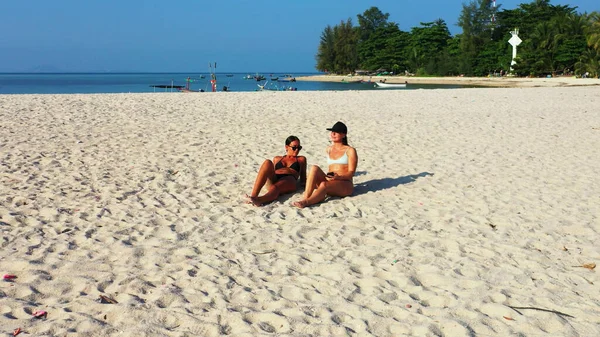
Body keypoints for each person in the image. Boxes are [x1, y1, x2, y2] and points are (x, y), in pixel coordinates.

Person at [292, 122, 357, 208]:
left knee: (324, 184)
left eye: (336, 132)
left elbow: (351, 173)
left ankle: (307, 202)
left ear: (343, 135)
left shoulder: (350, 150)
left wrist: (339, 177)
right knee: (314, 168)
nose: (333, 134)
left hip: (344, 183)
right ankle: (306, 197)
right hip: (330, 180)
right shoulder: (329, 149)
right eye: (332, 132)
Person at [246, 136, 307, 206]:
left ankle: (259, 200)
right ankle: (254, 196)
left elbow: (303, 179)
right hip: (276, 178)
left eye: (299, 148)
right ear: (286, 147)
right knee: (267, 162)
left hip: (289, 179)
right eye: (294, 147)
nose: (297, 150)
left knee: (276, 187)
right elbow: (272, 172)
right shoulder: (277, 158)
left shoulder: (301, 159)